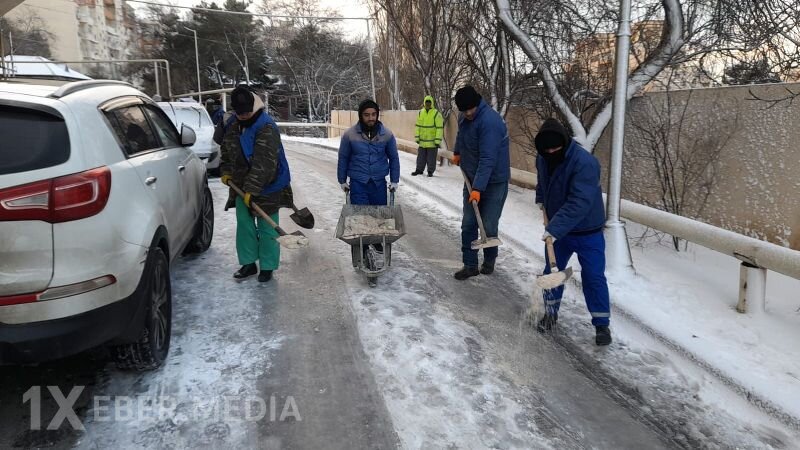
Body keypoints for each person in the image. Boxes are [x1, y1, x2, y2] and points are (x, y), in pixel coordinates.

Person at [534, 118, 612, 346]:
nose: (550, 152)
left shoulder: (585, 163)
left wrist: (554, 229)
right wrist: (541, 201)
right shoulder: (543, 158)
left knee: (593, 276)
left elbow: (579, 201)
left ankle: (601, 325)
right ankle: (550, 314)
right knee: (552, 272)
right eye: (546, 149)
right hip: (560, 231)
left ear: (565, 143)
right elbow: (543, 182)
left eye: (554, 149)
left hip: (588, 231)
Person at [219, 87, 294, 283]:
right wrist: (226, 171)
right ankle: (249, 263)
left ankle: (267, 267)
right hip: (241, 185)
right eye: (239, 112)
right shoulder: (233, 124)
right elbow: (227, 151)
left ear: (254, 106)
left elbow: (265, 164)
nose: (243, 116)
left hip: (270, 184)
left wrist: (252, 190)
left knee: (267, 226)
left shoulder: (266, 126)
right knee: (244, 224)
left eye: (246, 112)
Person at [450, 85, 510, 280]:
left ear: (477, 103)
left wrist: (478, 189)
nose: (467, 113)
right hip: (472, 178)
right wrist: (458, 151)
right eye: (464, 110)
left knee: (489, 224)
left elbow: (488, 159)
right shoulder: (464, 117)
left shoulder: (490, 122)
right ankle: (470, 265)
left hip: (493, 182)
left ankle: (489, 259)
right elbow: (461, 134)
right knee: (468, 223)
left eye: (470, 109)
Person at [337, 99, 400, 256]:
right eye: (367, 115)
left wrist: (394, 180)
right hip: (358, 183)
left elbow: (394, 158)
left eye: (373, 114)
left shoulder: (387, 135)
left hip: (378, 183)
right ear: (360, 116)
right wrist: (342, 180)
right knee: (361, 217)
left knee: (378, 217)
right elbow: (343, 158)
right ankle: (363, 245)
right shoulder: (350, 135)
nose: (371, 118)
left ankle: (378, 243)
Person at [411, 95, 444, 177]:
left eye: (429, 102)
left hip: (432, 142)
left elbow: (439, 128)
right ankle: (419, 170)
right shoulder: (420, 113)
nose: (428, 104)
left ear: (432, 103)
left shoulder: (436, 113)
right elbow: (418, 126)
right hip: (422, 141)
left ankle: (430, 171)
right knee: (420, 157)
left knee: (431, 158)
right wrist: (417, 137)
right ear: (424, 103)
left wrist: (437, 140)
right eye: (426, 102)